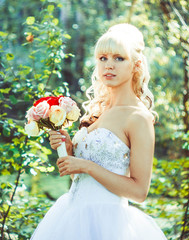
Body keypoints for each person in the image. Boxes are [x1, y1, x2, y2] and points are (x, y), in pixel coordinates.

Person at [30, 23, 167, 240]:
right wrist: (68, 150)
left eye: (118, 58)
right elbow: (79, 178)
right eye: (103, 58)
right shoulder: (97, 113)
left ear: (136, 65)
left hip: (111, 225)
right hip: (72, 219)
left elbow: (139, 192)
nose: (108, 65)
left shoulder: (138, 118)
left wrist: (86, 166)